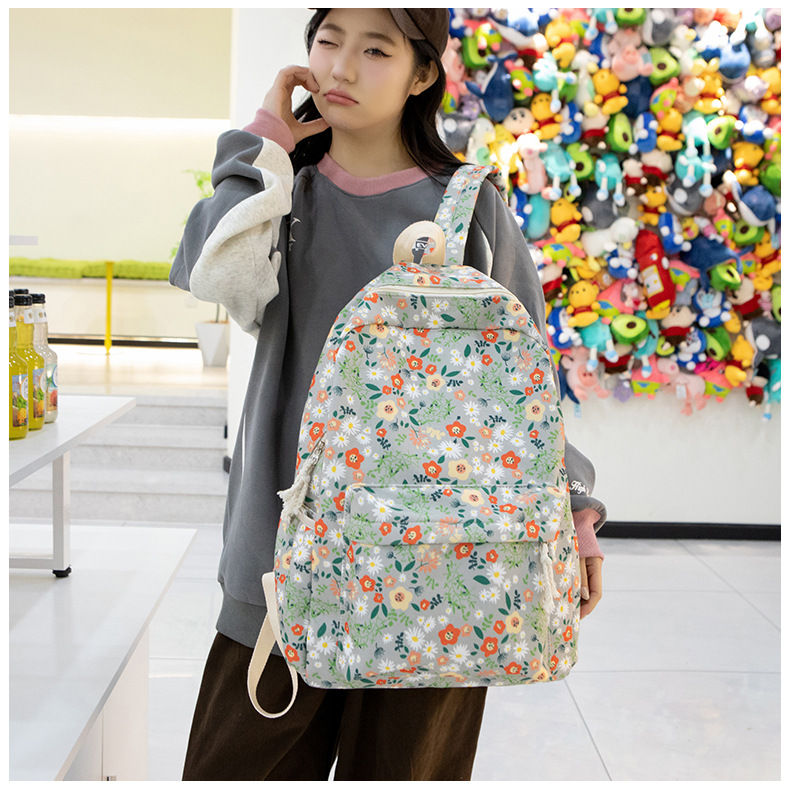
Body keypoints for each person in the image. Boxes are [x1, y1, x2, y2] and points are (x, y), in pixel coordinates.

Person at [170, 8, 606, 781]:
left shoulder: (470, 207)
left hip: (443, 563)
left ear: (422, 74)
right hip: (282, 564)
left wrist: (576, 512)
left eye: (375, 49)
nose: (341, 68)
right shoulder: (285, 194)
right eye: (327, 41)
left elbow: (528, 379)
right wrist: (264, 141)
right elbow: (215, 271)